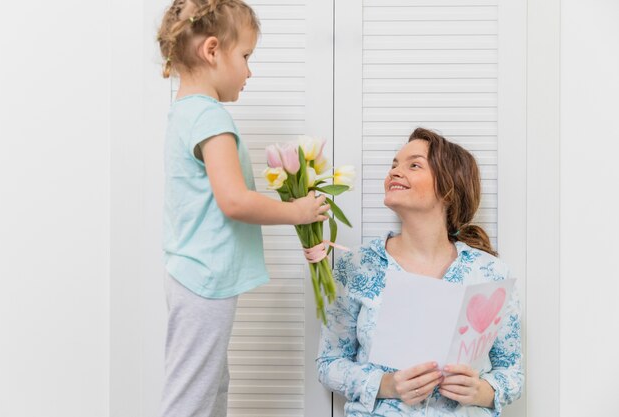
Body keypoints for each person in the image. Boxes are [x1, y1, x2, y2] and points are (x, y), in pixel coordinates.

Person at [156, 1, 329, 416]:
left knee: (210, 390)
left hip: (197, 276)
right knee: (191, 398)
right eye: (246, 56)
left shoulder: (186, 113)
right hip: (203, 278)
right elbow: (232, 200)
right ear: (212, 51)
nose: (250, 71)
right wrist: (299, 212)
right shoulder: (209, 117)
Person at [317, 127, 523, 416]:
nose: (394, 173)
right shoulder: (357, 267)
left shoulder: (490, 273)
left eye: (413, 165)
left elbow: (512, 372)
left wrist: (482, 391)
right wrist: (386, 384)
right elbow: (329, 363)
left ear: (448, 188)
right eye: (394, 165)